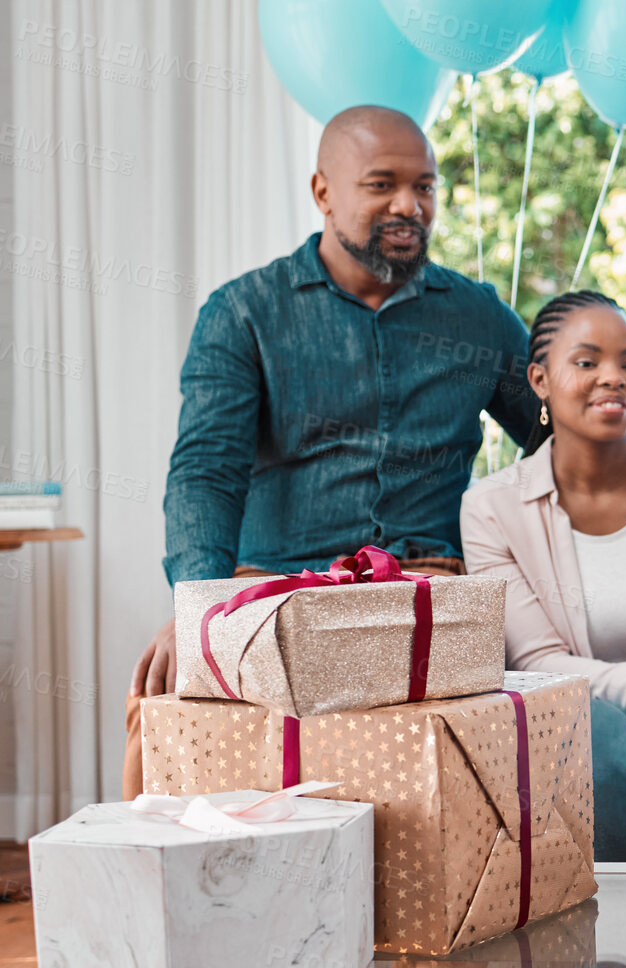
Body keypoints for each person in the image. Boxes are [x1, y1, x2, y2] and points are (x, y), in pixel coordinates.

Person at [124, 105, 537, 798]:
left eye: (425, 187)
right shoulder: (243, 312)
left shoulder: (479, 317)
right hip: (271, 589)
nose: (409, 205)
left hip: (425, 590)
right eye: (382, 185)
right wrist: (196, 607)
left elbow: (559, 444)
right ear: (323, 192)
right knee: (160, 713)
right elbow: (206, 472)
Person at [459, 291, 626, 862]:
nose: (615, 379)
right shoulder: (491, 507)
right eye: (586, 363)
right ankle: (609, 939)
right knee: (598, 730)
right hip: (579, 720)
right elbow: (534, 659)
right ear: (539, 380)